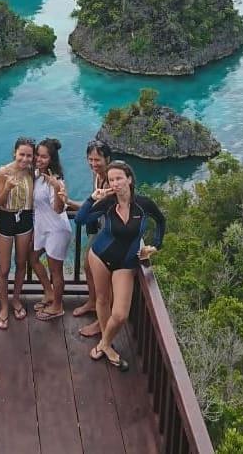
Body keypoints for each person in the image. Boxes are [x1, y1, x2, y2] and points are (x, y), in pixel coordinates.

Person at [75, 160, 165, 369]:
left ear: (129, 180)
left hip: (126, 262)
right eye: (111, 179)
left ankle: (104, 343)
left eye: (119, 178)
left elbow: (161, 221)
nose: (115, 183)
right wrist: (91, 199)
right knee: (102, 299)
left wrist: (156, 245)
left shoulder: (144, 205)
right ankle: (107, 345)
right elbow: (80, 220)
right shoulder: (107, 203)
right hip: (99, 257)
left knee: (121, 314)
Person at [0, 137, 35, 329]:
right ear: (14, 153)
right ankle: (3, 305)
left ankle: (16, 299)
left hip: (25, 218)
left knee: (21, 263)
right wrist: (7, 189)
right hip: (6, 218)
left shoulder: (33, 173)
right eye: (22, 154)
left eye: (29, 155)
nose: (25, 159)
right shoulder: (4, 172)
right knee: (3, 268)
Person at [73, 139, 112, 337]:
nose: (93, 163)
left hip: (111, 234)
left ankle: (101, 321)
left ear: (108, 159)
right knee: (88, 267)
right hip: (99, 228)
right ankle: (91, 302)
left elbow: (95, 207)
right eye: (90, 159)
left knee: (105, 281)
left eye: (98, 160)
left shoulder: (112, 181)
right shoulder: (97, 176)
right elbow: (94, 205)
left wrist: (74, 205)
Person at [29, 138, 72, 321]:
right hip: (42, 227)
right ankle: (49, 292)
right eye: (37, 155)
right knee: (32, 258)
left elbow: (59, 209)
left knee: (56, 271)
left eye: (44, 156)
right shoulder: (38, 174)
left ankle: (57, 306)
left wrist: (56, 188)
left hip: (56, 229)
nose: (39, 159)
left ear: (52, 159)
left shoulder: (57, 181)